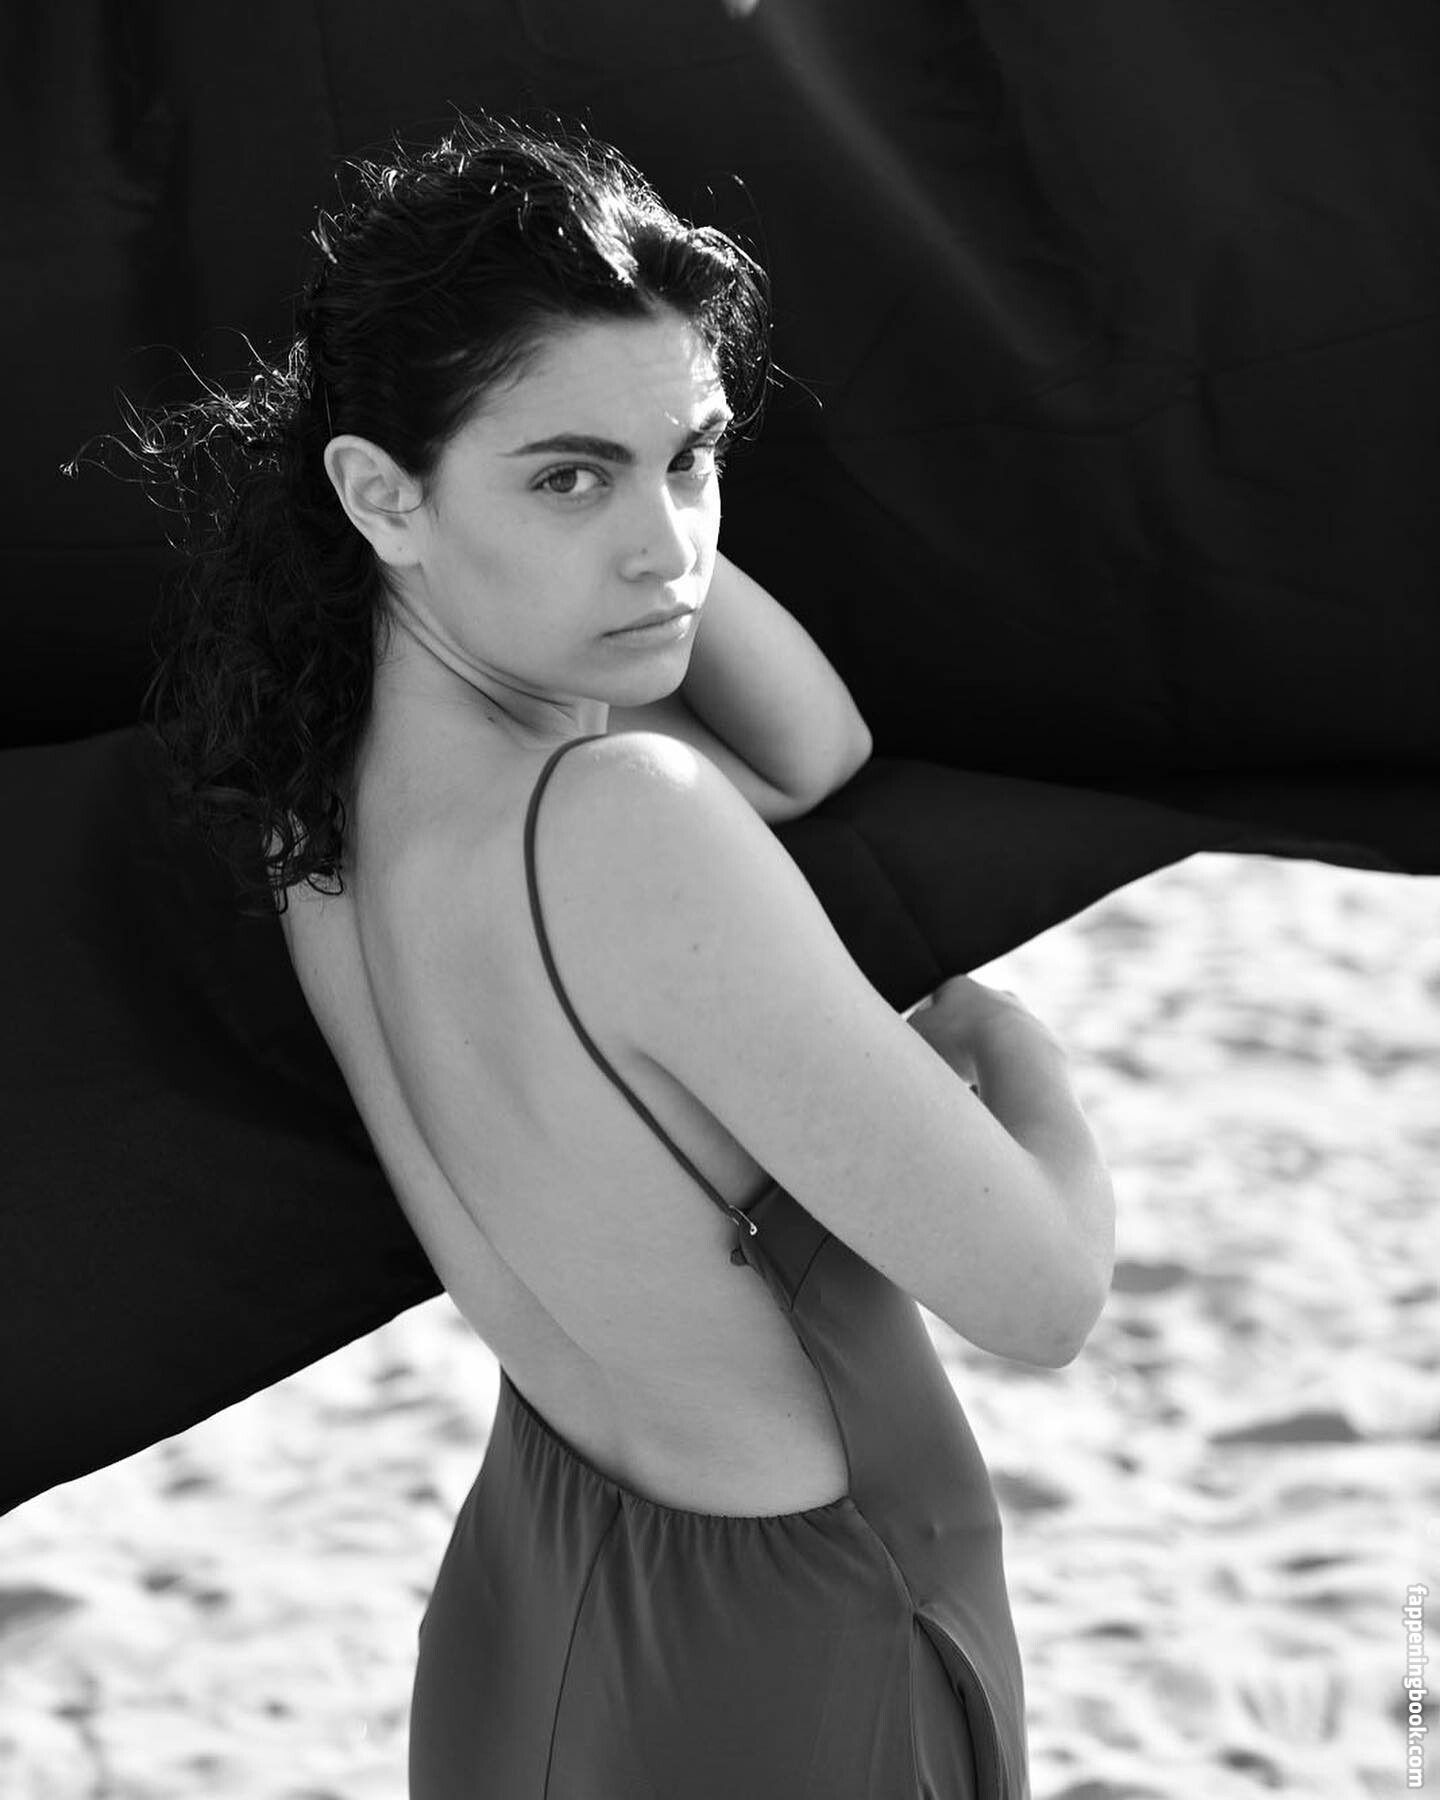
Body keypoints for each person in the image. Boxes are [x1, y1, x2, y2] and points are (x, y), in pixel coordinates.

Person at [130, 114, 1113, 1800]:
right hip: (790, 1653)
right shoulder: (622, 823)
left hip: (533, 1585)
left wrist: (616, 503)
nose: (672, 546)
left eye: (698, 458)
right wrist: (1016, 1051)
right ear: (377, 494)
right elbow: (1045, 1298)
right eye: (568, 477)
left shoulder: (326, 808)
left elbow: (811, 751)